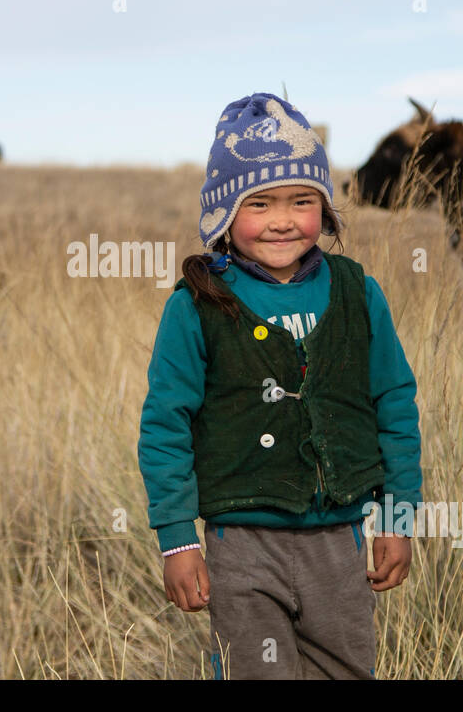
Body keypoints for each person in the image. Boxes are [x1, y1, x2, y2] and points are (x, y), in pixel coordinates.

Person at [136, 91, 423, 680]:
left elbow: (394, 403)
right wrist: (175, 539)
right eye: (259, 203)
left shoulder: (357, 293)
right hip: (240, 544)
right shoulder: (198, 306)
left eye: (302, 201)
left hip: (337, 542)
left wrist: (397, 516)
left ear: (325, 206)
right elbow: (166, 423)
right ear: (222, 212)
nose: (284, 220)